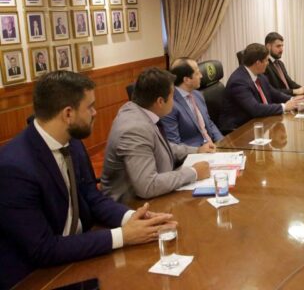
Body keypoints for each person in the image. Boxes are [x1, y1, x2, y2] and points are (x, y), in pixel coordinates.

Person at [0, 71, 175, 290]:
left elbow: (92, 197)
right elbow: (43, 249)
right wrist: (123, 236)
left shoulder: (71, 141)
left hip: (81, 253)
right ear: (68, 114)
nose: (95, 113)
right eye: (90, 107)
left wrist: (133, 218)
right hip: (37, 276)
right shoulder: (14, 167)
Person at [101, 68, 211, 203]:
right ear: (160, 101)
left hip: (153, 195)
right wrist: (193, 172)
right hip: (131, 205)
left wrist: (197, 150)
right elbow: (147, 186)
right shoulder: (134, 129)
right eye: (172, 96)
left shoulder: (140, 110)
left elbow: (161, 146)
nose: (174, 101)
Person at [220, 43, 303, 132]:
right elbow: (255, 109)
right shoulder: (238, 82)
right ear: (258, 63)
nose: (268, 63)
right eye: (266, 60)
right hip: (238, 130)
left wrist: (293, 100)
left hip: (258, 122)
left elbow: (274, 93)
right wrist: (284, 107)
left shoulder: (259, 75)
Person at [161, 58, 224, 148]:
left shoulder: (197, 94)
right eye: (197, 73)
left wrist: (222, 142)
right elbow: (174, 145)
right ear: (187, 80)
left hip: (213, 148)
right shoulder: (170, 105)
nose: (201, 76)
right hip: (194, 153)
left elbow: (209, 123)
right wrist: (200, 151)